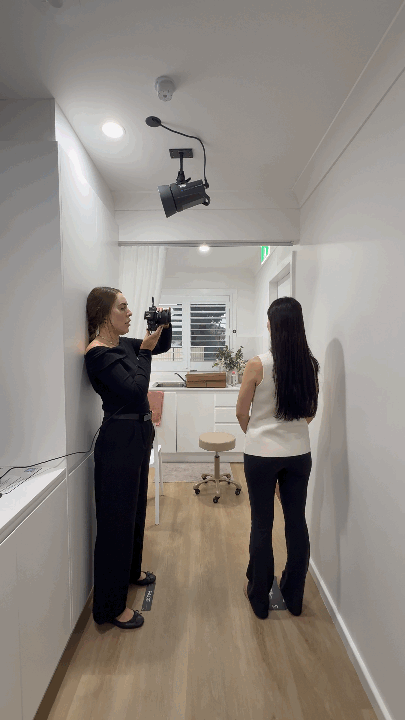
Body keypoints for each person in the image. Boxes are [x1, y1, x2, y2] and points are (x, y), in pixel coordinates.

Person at [85, 287, 319, 628]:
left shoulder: (258, 364)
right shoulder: (310, 365)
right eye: (123, 307)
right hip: (299, 453)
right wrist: (292, 434)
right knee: (296, 522)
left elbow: (241, 412)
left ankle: (259, 596)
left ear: (272, 326)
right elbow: (310, 412)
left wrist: (165, 326)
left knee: (260, 523)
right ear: (105, 313)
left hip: (259, 453)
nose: (130, 312)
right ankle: (294, 597)